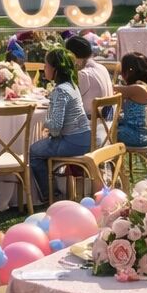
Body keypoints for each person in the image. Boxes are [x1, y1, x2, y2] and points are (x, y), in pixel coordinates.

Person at [27, 46, 91, 203]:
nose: (44, 68)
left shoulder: (60, 90)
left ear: (55, 68)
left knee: (34, 151)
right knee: (41, 147)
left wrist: (45, 123)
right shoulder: (72, 85)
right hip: (85, 138)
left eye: (46, 65)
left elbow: (55, 128)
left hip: (72, 142)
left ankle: (49, 195)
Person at [114, 52, 147, 149]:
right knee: (110, 125)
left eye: (122, 70)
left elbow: (111, 88)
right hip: (146, 132)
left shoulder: (137, 89)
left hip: (140, 136)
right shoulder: (144, 85)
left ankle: (107, 161)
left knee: (104, 131)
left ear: (129, 71)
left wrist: (115, 73)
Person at [66, 35, 112, 119]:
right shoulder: (102, 68)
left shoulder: (82, 74)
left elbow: (67, 102)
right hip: (106, 125)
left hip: (89, 126)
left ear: (71, 55)